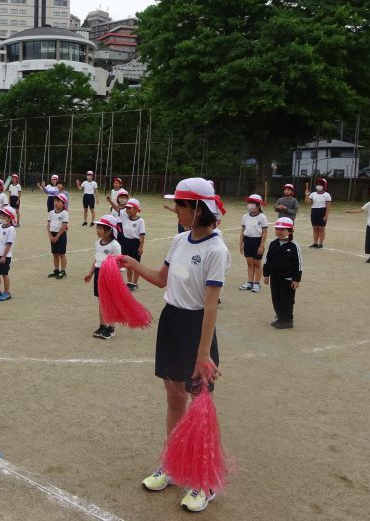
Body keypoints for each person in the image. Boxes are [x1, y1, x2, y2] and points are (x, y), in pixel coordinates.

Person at [121, 178, 229, 513]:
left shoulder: (216, 250)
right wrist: (132, 264)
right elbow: (161, 280)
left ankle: (204, 481)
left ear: (199, 208)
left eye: (181, 205)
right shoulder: (179, 240)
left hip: (197, 328)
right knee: (174, 397)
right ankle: (172, 464)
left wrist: (203, 352)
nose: (175, 210)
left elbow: (210, 305)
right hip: (171, 321)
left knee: (201, 405)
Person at [84, 215, 123, 339]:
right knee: (101, 300)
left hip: (109, 275)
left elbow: (118, 264)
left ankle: (111, 327)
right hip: (99, 274)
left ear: (109, 230)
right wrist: (90, 273)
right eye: (97, 227)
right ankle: (102, 325)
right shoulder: (98, 244)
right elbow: (97, 260)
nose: (98, 230)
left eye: (100, 228)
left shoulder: (115, 245)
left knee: (110, 301)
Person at [262, 217, 302, 329]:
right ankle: (280, 317)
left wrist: (296, 279)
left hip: (288, 279)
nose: (279, 231)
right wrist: (266, 274)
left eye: (282, 229)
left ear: (290, 231)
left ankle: (287, 320)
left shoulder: (294, 246)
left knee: (287, 300)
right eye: (277, 229)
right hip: (275, 277)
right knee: (276, 298)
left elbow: (298, 263)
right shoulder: (273, 244)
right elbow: (267, 259)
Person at [238, 194, 268, 293]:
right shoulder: (245, 216)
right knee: (250, 263)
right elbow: (243, 230)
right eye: (249, 202)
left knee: (257, 263)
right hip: (247, 241)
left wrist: (261, 245)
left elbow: (264, 232)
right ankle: (249, 282)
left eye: (253, 203)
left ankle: (256, 283)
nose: (250, 205)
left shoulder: (262, 217)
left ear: (258, 205)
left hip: (257, 241)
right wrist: (241, 243)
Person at [120, 198, 145, 291]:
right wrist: (112, 201)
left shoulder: (140, 221)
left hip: (135, 243)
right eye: (126, 208)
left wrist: (141, 247)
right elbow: (118, 208)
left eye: (130, 208)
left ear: (136, 209)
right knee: (128, 264)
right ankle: (129, 283)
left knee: (136, 265)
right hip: (125, 242)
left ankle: (135, 283)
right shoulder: (124, 217)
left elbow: (142, 235)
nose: (127, 210)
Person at [47, 193, 69, 279]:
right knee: (55, 254)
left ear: (63, 203)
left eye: (58, 201)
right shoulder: (51, 212)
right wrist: (50, 236)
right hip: (52, 235)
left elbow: (64, 227)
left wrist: (57, 237)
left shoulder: (65, 213)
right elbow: (48, 226)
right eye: (55, 201)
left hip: (61, 235)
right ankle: (56, 270)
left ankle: (63, 271)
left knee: (61, 254)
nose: (56, 203)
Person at [305, 178, 331, 248]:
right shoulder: (313, 194)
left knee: (321, 228)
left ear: (324, 186)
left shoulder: (327, 195)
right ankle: (315, 243)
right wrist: (307, 195)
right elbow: (308, 202)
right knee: (315, 228)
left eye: (320, 185)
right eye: (317, 184)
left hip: (322, 211)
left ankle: (320, 243)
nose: (318, 186)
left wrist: (326, 215)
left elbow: (328, 206)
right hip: (314, 211)